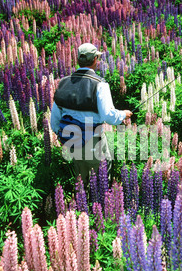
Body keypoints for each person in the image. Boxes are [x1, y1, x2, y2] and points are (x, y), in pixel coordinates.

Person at [50, 42, 132, 185]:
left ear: (78, 60)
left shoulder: (63, 83)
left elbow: (54, 122)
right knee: (101, 185)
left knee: (82, 184)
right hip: (94, 142)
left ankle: (81, 208)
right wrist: (123, 114)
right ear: (95, 60)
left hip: (73, 143)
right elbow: (108, 115)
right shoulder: (100, 84)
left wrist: (64, 137)